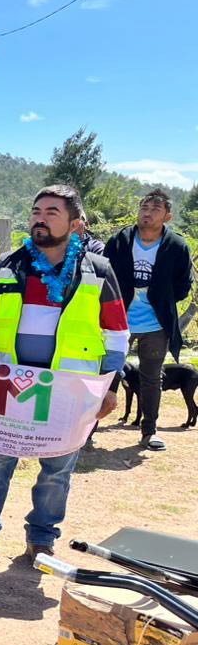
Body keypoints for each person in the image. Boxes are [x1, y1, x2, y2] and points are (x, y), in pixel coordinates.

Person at [0, 185, 127, 563]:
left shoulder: (98, 271)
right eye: (36, 211)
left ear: (75, 223)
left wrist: (110, 385)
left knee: (57, 469)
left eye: (52, 212)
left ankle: (42, 540)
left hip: (70, 389)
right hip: (10, 384)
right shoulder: (7, 265)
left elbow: (116, 334)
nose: (40, 218)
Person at [105, 189, 193, 451]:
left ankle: (149, 431)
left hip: (156, 324)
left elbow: (183, 285)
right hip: (118, 320)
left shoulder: (176, 246)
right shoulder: (120, 241)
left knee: (152, 378)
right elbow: (103, 273)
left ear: (167, 216)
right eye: (144, 207)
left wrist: (161, 299)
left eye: (155, 209)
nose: (147, 212)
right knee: (106, 372)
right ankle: (88, 428)